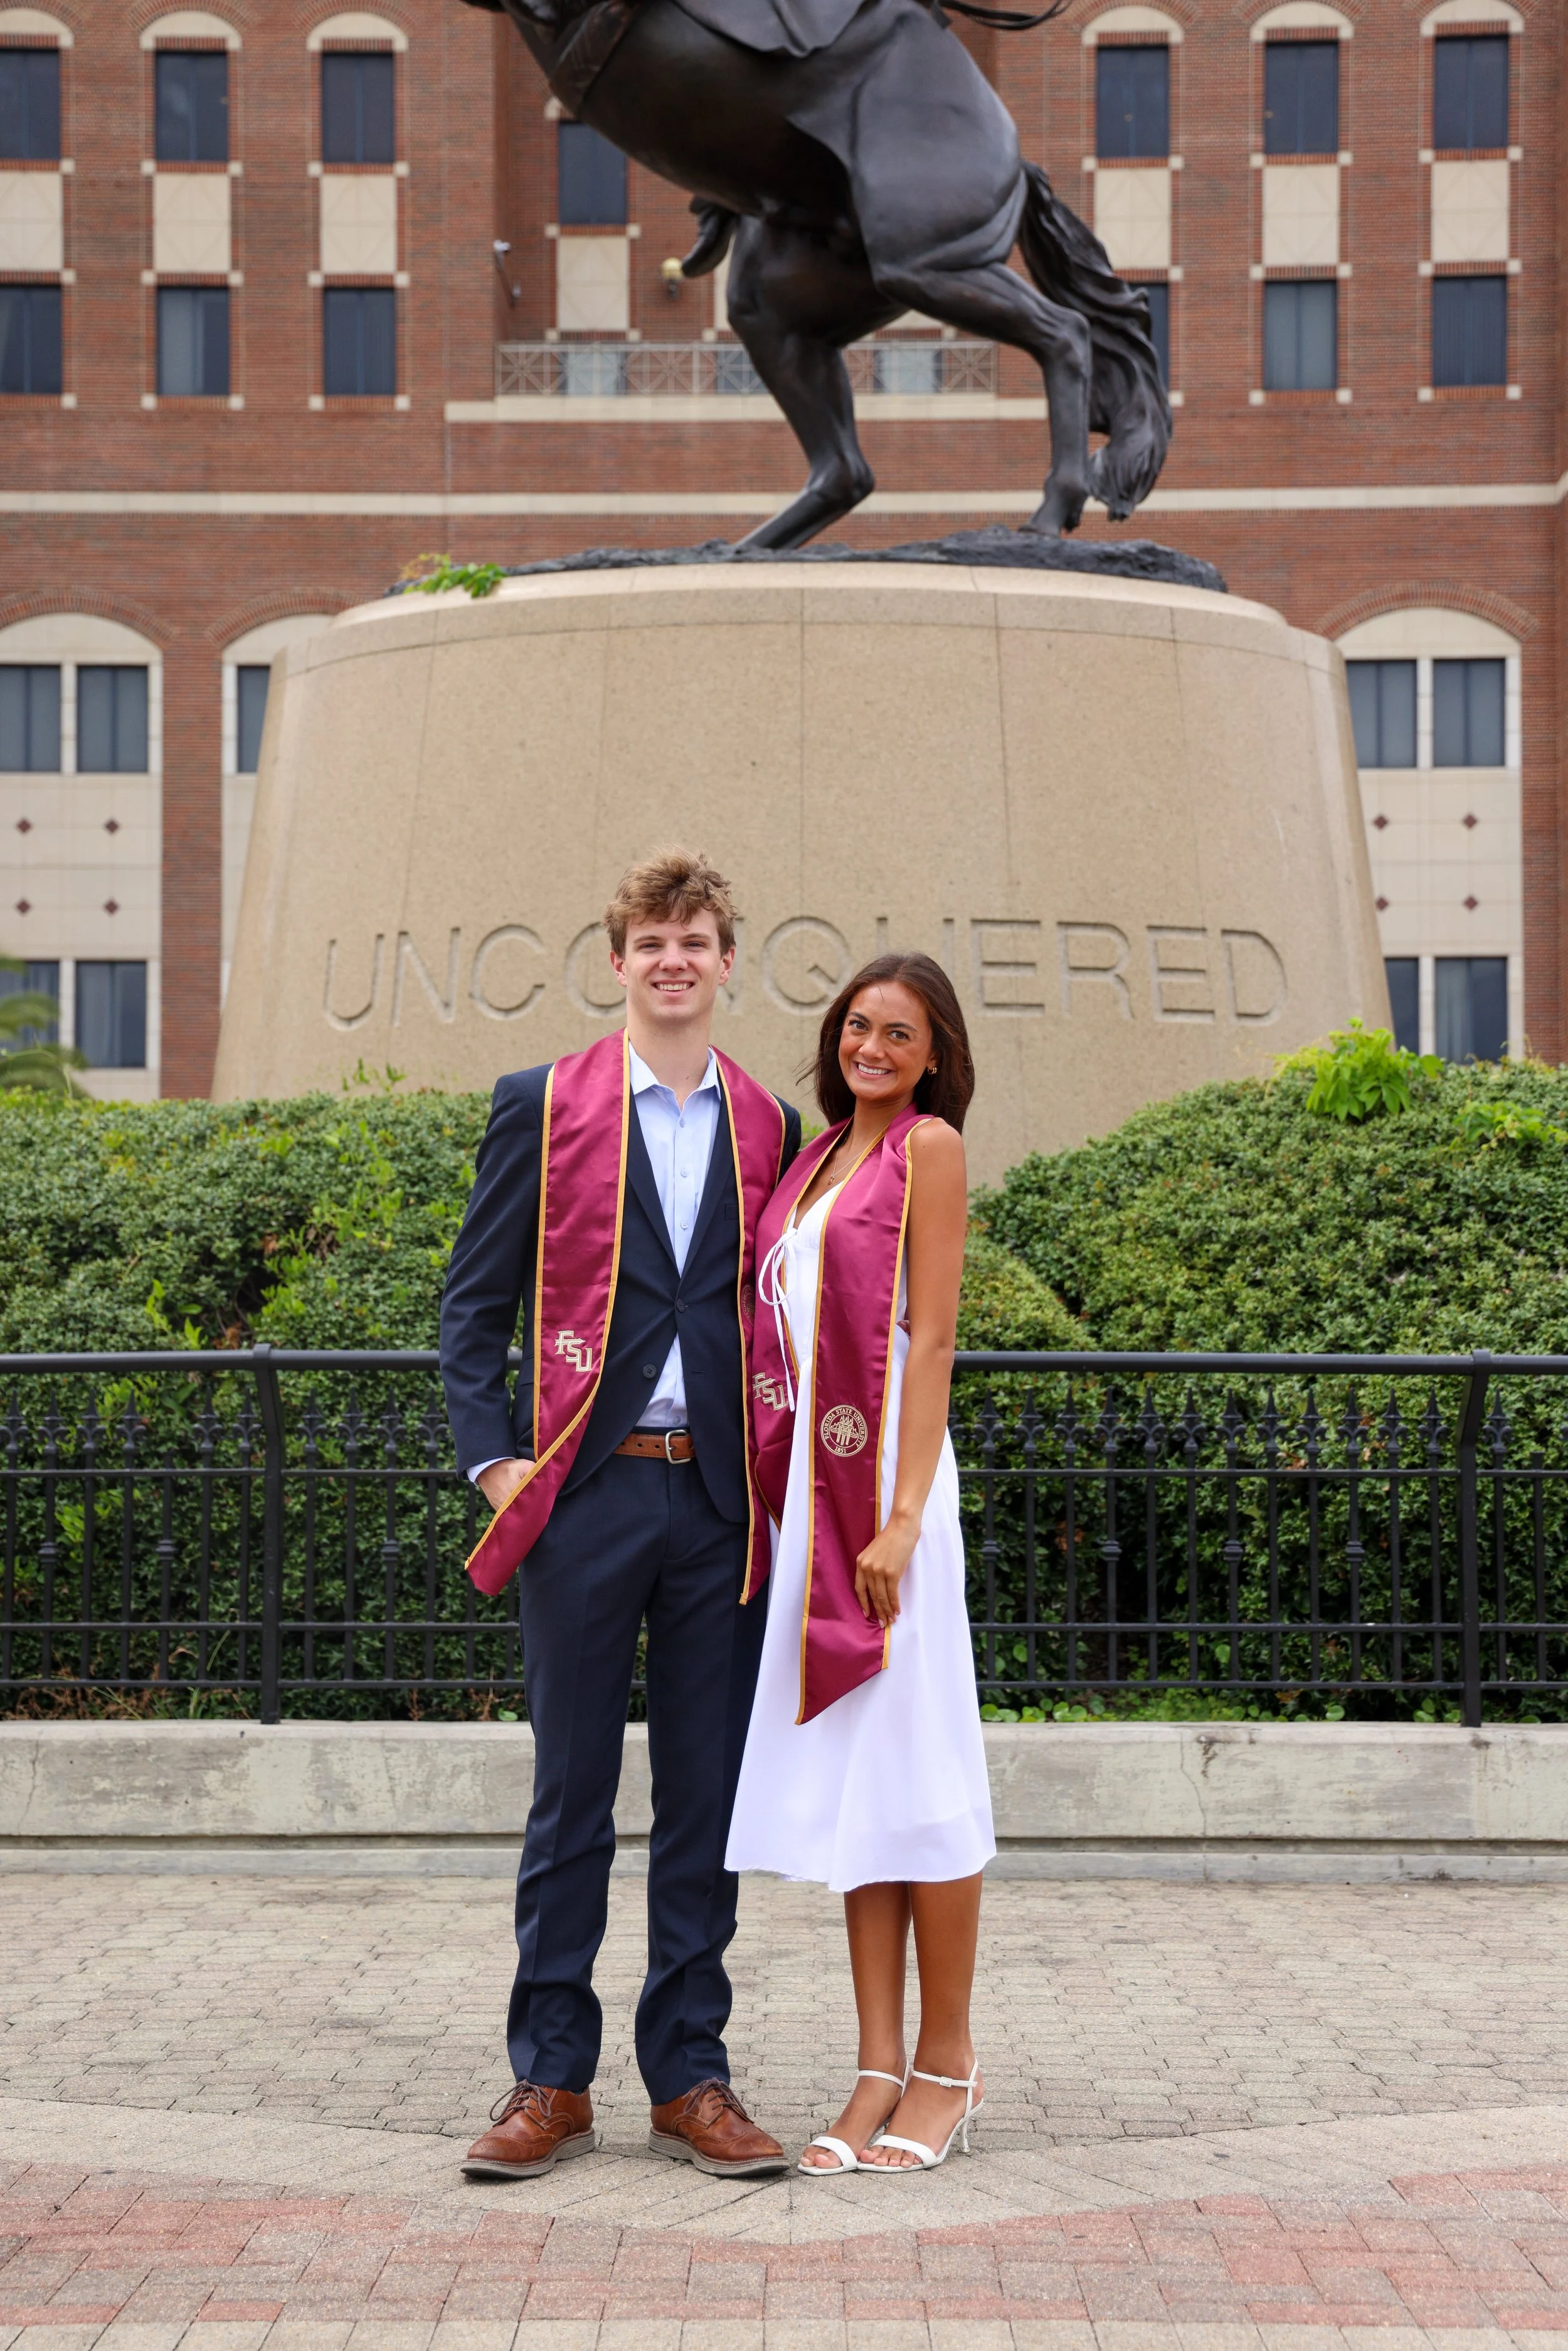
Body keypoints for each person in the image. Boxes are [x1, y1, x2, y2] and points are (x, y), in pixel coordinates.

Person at [440, 849, 801, 2182]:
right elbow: (474, 1306)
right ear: (616, 960)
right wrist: (495, 1465)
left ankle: (689, 2075)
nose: (672, 959)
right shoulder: (541, 1105)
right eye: (650, 939)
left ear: (723, 959)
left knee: (704, 1801)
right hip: (581, 1495)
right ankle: (549, 2075)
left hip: (718, 1500)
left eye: (695, 938)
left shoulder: (770, 1122)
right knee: (570, 1795)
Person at [726, 952, 995, 2174]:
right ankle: (873, 2063)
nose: (869, 1044)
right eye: (854, 1024)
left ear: (932, 1050)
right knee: (858, 1783)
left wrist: (897, 1515)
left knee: (918, 1762)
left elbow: (931, 1336)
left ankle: (946, 2064)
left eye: (896, 1030)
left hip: (887, 1492)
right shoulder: (814, 1158)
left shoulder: (924, 1150)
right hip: (810, 1492)